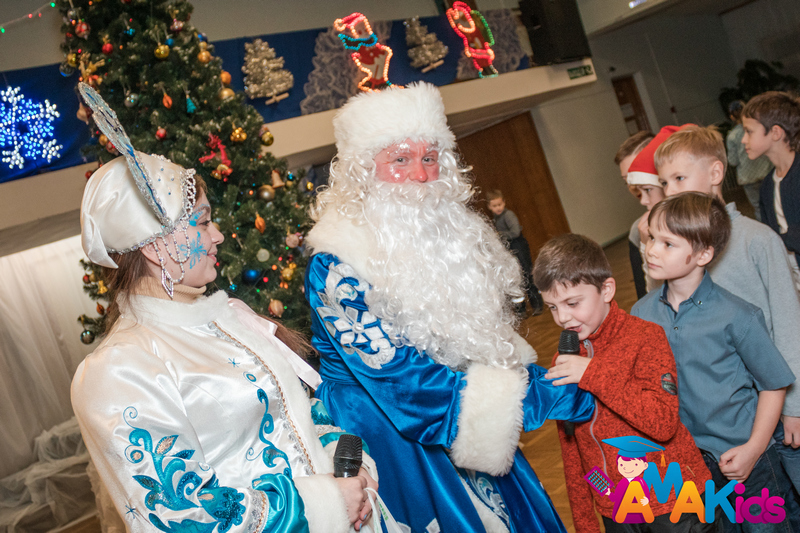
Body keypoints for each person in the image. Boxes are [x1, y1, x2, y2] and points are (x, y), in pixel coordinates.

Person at [71, 84, 379, 533]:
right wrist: (323, 504)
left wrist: (347, 465)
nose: (217, 235)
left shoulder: (230, 318)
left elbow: (298, 414)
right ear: (159, 247)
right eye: (202, 222)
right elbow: (181, 516)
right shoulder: (118, 370)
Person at [303, 82, 595, 533]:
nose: (421, 176)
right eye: (400, 159)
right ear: (363, 171)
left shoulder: (449, 237)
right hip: (393, 438)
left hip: (467, 412)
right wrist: (539, 393)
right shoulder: (337, 262)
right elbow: (402, 381)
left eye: (429, 157)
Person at [631, 192, 798, 532]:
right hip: (688, 467)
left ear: (704, 253)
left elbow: (774, 383)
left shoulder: (738, 315)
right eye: (652, 239)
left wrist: (753, 448)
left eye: (667, 243)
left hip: (750, 463)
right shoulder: (641, 314)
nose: (651, 250)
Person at [654, 124, 800, 501]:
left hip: (778, 404)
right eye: (664, 182)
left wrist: (795, 405)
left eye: (679, 178)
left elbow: (788, 322)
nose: (669, 191)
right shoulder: (673, 256)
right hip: (730, 421)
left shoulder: (757, 239)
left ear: (715, 174)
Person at [533, 233, 711, 533]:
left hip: (673, 502)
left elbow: (662, 422)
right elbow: (571, 444)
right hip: (616, 507)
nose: (563, 317)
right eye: (552, 307)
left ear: (606, 289)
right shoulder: (565, 357)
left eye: (573, 303)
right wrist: (585, 521)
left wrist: (592, 373)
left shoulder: (645, 338)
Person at [741, 92, 800, 289]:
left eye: (749, 132)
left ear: (775, 133)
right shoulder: (767, 185)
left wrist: (775, 243)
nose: (743, 140)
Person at [625, 127, 684, 294]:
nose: (642, 200)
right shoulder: (641, 230)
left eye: (648, 190)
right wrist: (646, 248)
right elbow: (653, 295)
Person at [487, 189, 544, 316]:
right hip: (510, 248)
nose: (498, 208)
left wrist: (498, 235)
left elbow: (515, 232)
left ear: (504, 202)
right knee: (516, 276)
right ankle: (521, 308)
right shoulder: (496, 219)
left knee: (527, 273)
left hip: (519, 245)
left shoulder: (508, 215)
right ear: (489, 207)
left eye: (500, 204)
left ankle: (537, 304)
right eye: (495, 206)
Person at [615, 131, 654, 299]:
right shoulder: (638, 232)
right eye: (627, 181)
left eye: (638, 175)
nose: (633, 187)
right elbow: (644, 297)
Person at [726, 100, 773, 221]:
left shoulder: (732, 136)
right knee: (774, 203)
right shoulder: (759, 127)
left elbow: (733, 161)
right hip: (766, 172)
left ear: (731, 116)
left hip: (748, 178)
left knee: (759, 208)